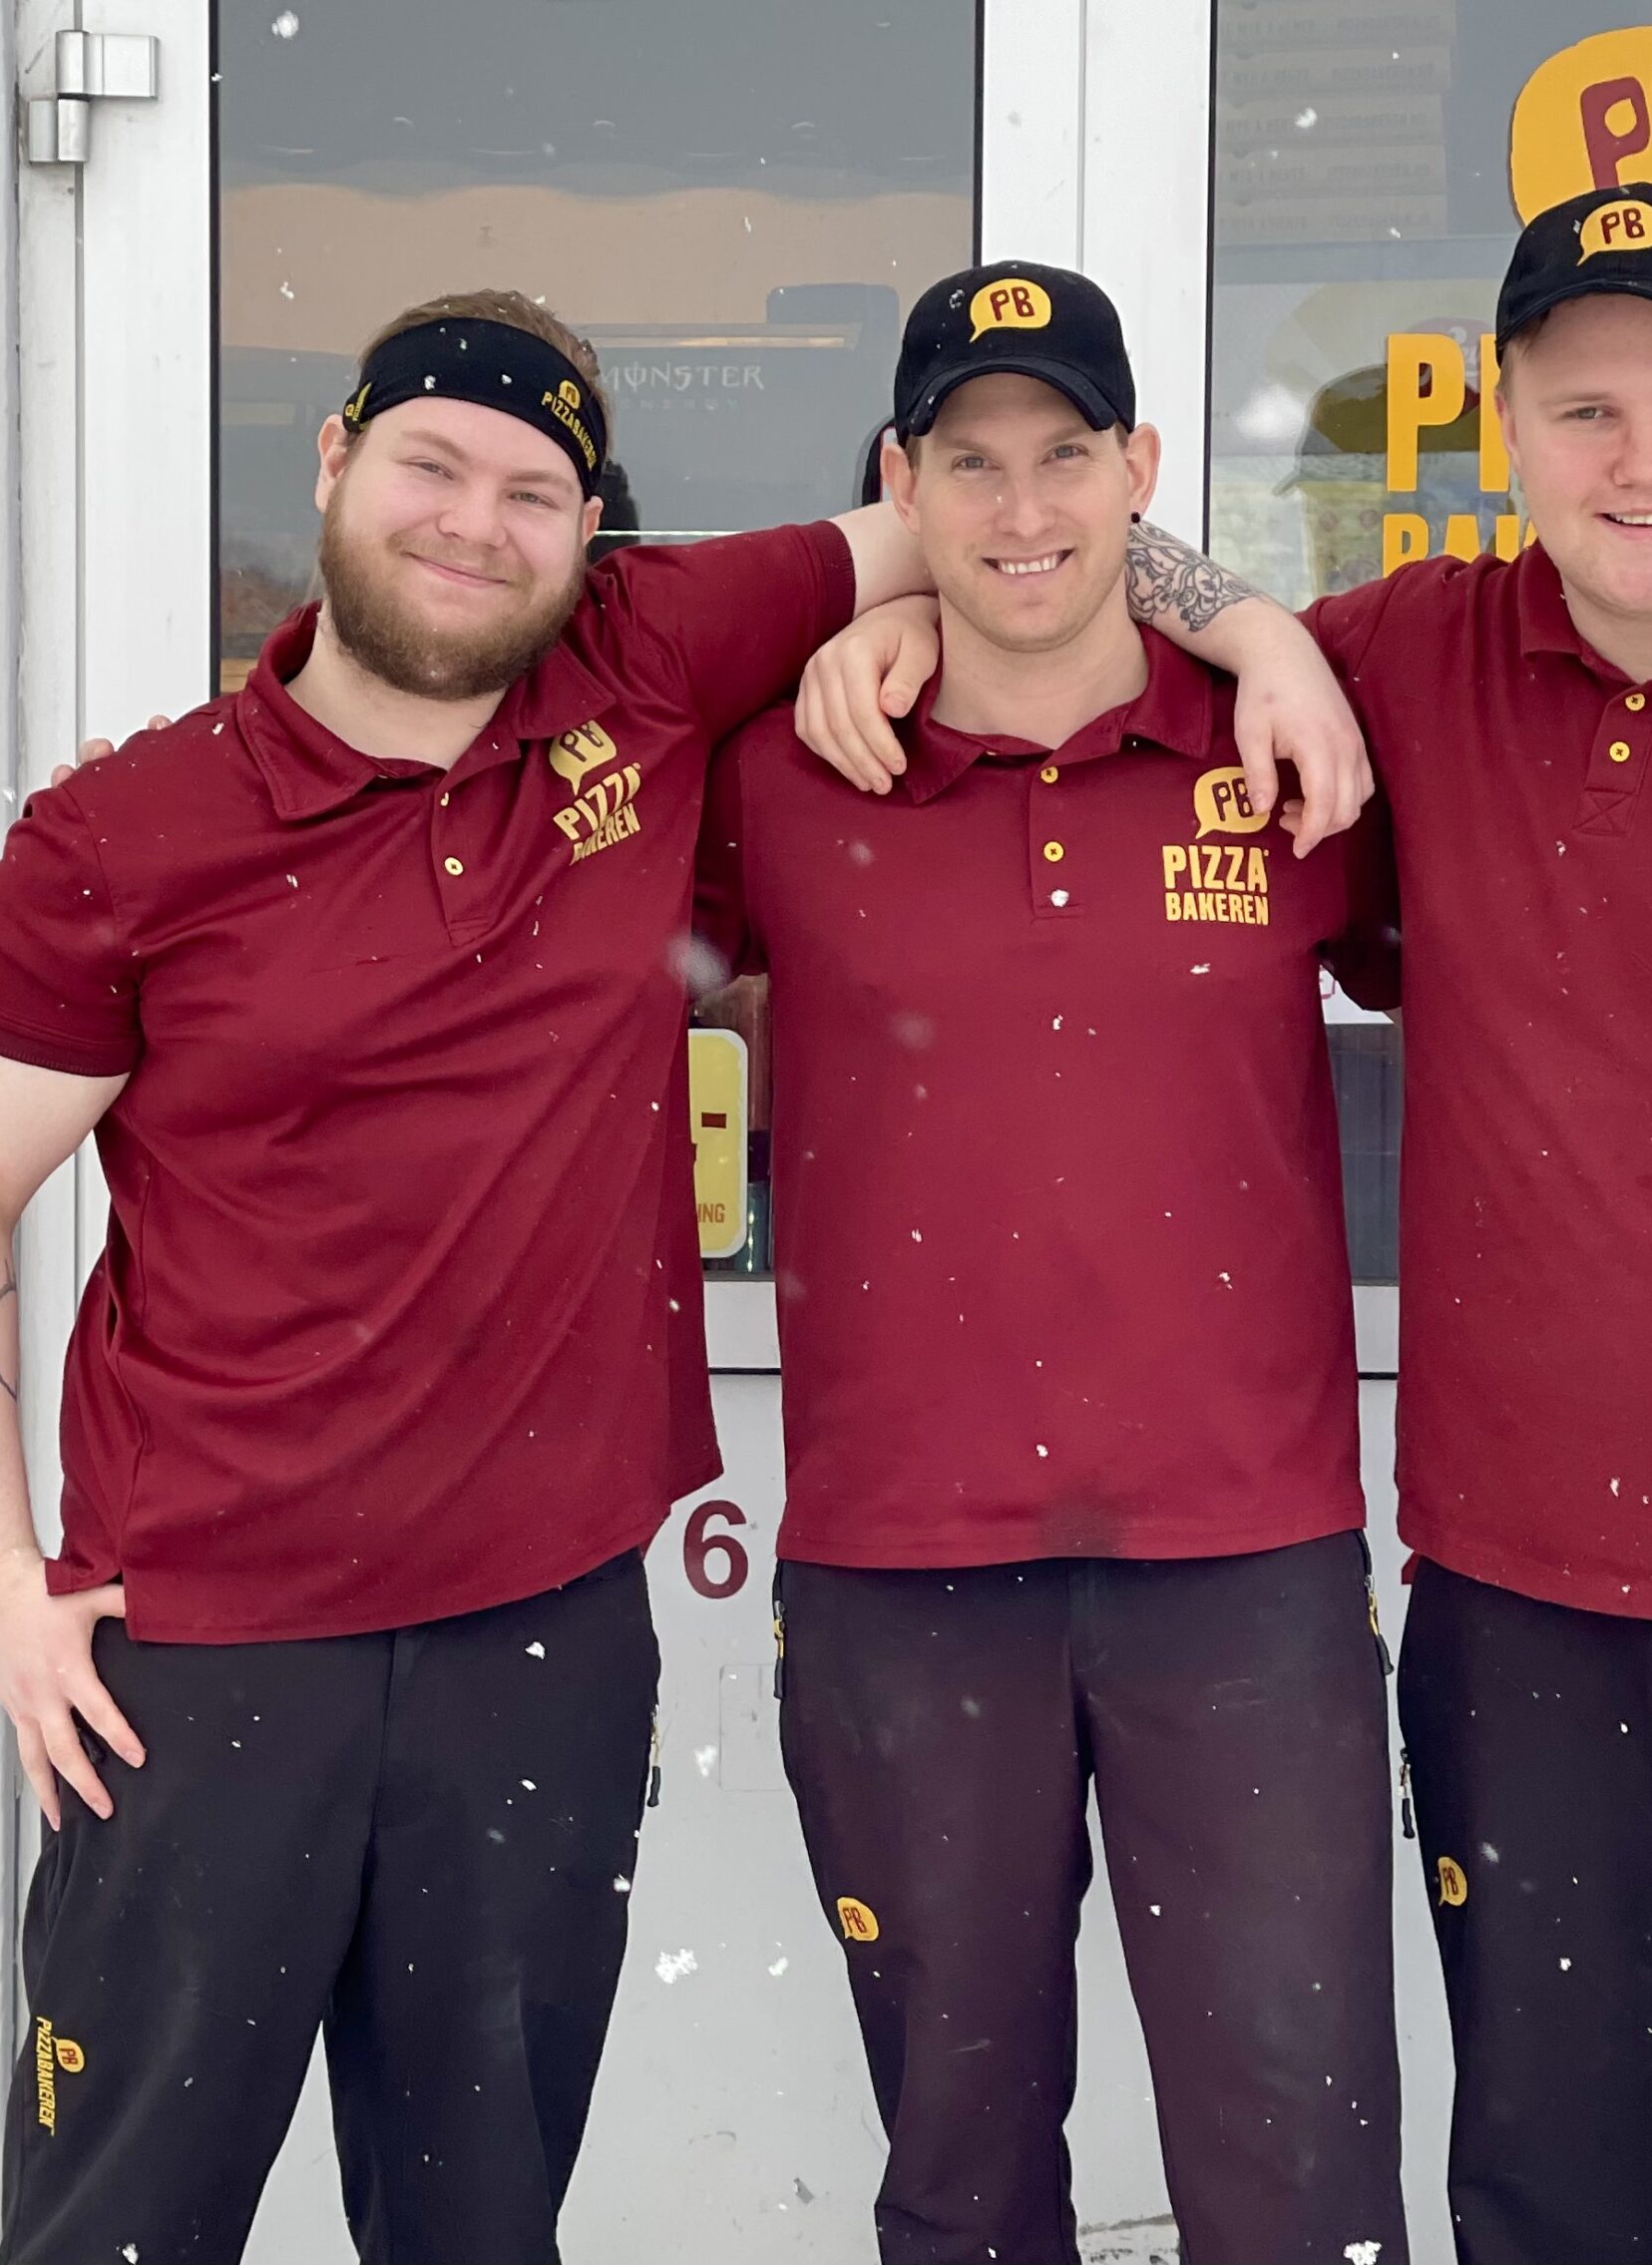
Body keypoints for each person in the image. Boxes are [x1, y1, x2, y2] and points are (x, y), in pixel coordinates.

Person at [0, 283, 1365, 2265]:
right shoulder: (124, 828)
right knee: (120, 2226)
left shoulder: (645, 675)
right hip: (205, 1642)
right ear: (334, 463)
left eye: (530, 492)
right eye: (431, 466)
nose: (472, 523)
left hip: (538, 1643)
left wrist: (1256, 626)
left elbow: (1003, 535)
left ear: (592, 530)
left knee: (486, 2227)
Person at [799, 189, 1652, 2265]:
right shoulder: (1412, 666)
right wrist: (962, 602)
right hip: (1518, 1609)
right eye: (1586, 409)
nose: (1643, 458)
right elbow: (1087, 572)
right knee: (1541, 2194)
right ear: (1507, 424)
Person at [693, 261, 1411, 2265]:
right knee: (961, 2170)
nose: (1023, 510)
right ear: (897, 484)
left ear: (1141, 469)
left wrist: (1256, 623)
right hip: (901, 1573)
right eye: (971, 463)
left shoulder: (1286, 755)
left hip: (1244, 1565)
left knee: (1296, 2169)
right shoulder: (780, 779)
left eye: (1066, 455)